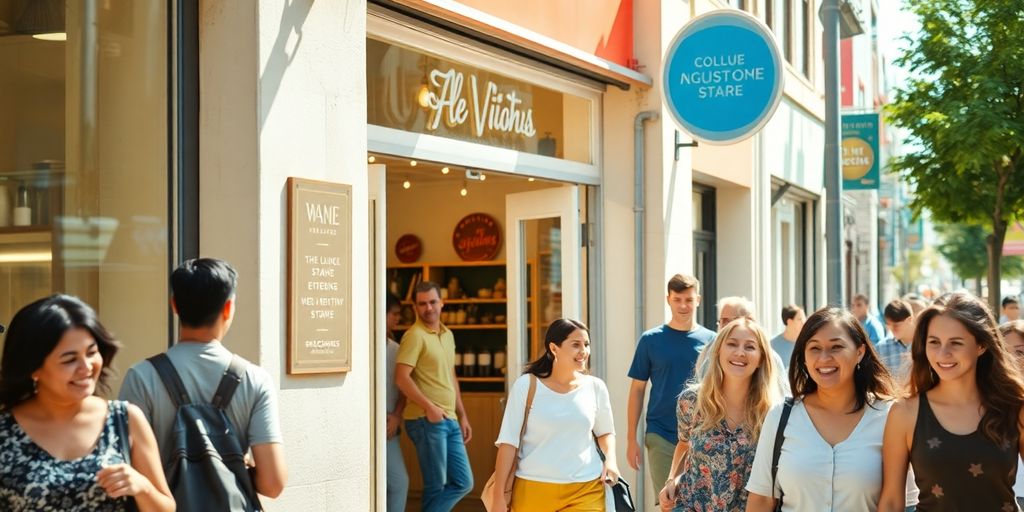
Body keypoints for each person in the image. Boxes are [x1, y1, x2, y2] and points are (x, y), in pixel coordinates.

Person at [120, 258, 287, 499]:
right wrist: (238, 467)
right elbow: (273, 484)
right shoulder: (254, 379)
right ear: (228, 308)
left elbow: (129, 468)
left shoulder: (141, 377)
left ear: (174, 305)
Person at [0, 295, 175, 512]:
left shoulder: (126, 418)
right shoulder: (5, 430)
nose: (86, 367)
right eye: (69, 359)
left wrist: (142, 488)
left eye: (92, 352)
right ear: (34, 369)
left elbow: (166, 508)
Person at [880, 293, 1024, 512]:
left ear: (981, 346)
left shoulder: (1014, 406)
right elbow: (891, 502)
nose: (943, 353)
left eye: (956, 343)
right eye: (934, 342)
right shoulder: (905, 412)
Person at [746, 307, 898, 511]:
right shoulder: (780, 416)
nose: (824, 358)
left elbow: (899, 503)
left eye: (836, 347)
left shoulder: (889, 417)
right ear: (804, 356)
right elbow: (761, 501)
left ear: (859, 352)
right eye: (815, 348)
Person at [490, 319, 618, 512]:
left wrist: (611, 461)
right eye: (575, 344)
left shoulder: (595, 387)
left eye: (586, 344)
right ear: (554, 348)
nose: (584, 351)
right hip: (533, 489)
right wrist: (499, 496)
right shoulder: (527, 385)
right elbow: (508, 443)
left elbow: (605, 432)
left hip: (586, 488)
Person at [658, 318, 783, 512]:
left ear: (761, 359)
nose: (740, 352)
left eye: (750, 347)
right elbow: (684, 444)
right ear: (718, 351)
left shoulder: (773, 414)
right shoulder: (691, 401)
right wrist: (672, 480)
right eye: (732, 344)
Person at [627, 274, 716, 492]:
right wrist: (631, 439)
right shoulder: (650, 340)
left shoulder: (712, 340)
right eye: (677, 299)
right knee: (669, 500)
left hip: (702, 433)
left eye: (688, 299)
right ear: (668, 299)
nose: (683, 305)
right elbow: (637, 390)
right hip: (661, 434)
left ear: (698, 300)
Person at [395, 281, 473, 511]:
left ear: (442, 303)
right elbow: (401, 378)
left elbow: (451, 376)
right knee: (436, 486)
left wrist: (463, 414)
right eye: (422, 304)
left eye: (432, 302)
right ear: (415, 307)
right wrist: (429, 407)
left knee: (464, 482)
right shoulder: (414, 336)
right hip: (425, 420)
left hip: (449, 419)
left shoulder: (447, 335)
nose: (428, 308)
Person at [385, 293, 409, 512]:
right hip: (369, 426)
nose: (397, 319)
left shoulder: (396, 349)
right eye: (394, 314)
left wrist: (396, 416)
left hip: (389, 428)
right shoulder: (362, 349)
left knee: (398, 483)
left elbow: (403, 388)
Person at [1000, 320, 1024, 509]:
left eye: (1020, 352)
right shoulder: (989, 399)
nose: (1013, 360)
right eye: (1005, 354)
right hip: (1010, 494)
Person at [878, 299, 916, 386]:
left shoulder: (924, 345)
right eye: (888, 324)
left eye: (896, 325)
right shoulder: (881, 348)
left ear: (909, 320)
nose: (892, 329)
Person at [771, 305, 805, 370]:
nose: (803, 322)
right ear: (789, 321)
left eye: (804, 318)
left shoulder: (807, 344)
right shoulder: (772, 345)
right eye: (800, 319)